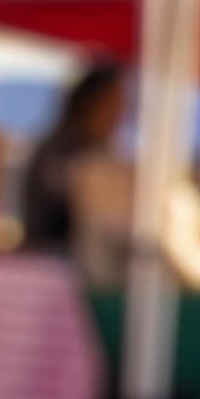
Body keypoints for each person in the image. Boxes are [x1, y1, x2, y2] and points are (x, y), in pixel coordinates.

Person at [17, 60, 135, 263]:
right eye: (111, 107)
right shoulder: (58, 153)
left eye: (121, 109)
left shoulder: (104, 153)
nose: (117, 118)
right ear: (89, 104)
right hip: (53, 266)